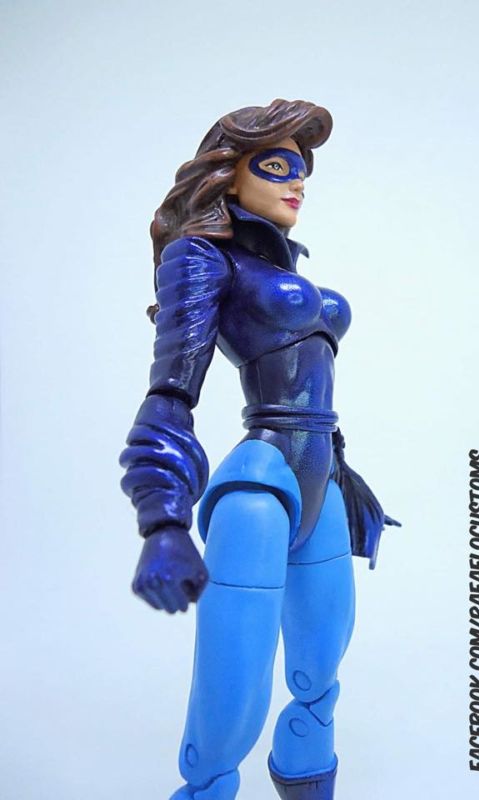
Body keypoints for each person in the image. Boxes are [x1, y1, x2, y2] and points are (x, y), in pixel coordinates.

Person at [120, 98, 398, 800]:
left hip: (323, 478)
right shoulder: (200, 258)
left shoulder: (283, 264)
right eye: (275, 165)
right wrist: (162, 522)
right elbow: (170, 394)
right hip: (262, 484)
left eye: (301, 169)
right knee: (232, 697)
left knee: (320, 669)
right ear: (228, 174)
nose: (296, 180)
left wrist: (345, 474)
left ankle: (304, 781)